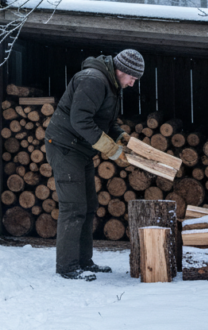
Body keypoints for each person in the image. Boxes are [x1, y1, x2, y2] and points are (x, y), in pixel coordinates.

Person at [44, 49, 144, 281]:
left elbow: (103, 121)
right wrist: (110, 149)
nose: (132, 84)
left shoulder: (109, 83)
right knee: (73, 208)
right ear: (122, 71)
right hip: (65, 146)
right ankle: (67, 268)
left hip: (80, 149)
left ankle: (83, 262)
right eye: (133, 78)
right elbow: (80, 120)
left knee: (88, 207)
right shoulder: (94, 80)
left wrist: (121, 137)